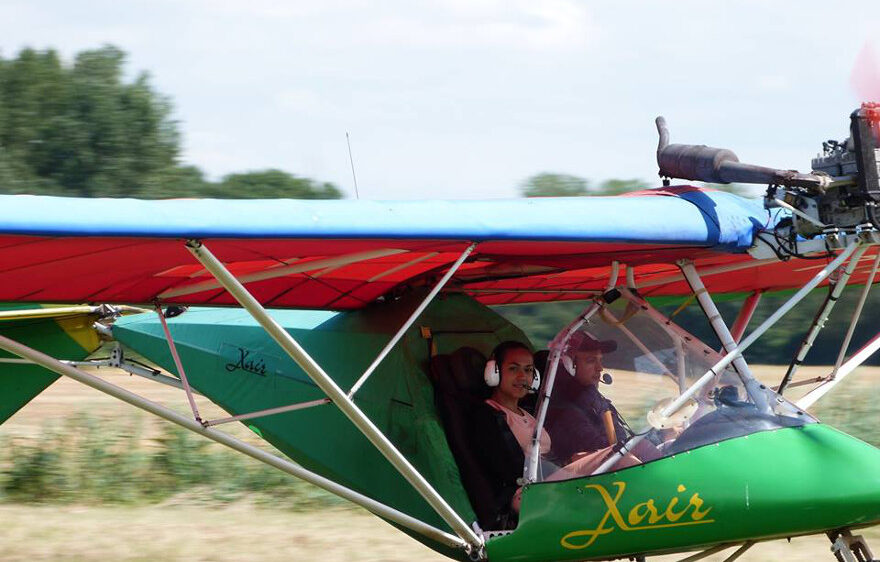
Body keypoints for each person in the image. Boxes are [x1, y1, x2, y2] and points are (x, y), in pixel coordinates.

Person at [467, 341, 548, 529]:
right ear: (494, 373)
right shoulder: (487, 415)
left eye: (528, 370)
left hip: (553, 479)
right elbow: (510, 470)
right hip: (528, 491)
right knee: (622, 461)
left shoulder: (529, 412)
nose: (522, 377)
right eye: (513, 369)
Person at [545, 332, 643, 471]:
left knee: (645, 444)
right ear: (569, 366)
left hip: (608, 467)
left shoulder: (590, 397)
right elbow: (601, 447)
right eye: (591, 361)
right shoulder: (562, 408)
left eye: (600, 360)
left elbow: (616, 439)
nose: (600, 368)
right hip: (587, 480)